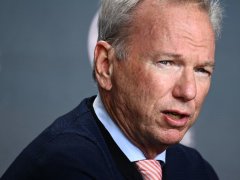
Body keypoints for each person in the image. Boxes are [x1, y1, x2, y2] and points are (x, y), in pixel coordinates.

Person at [1, 0, 223, 179]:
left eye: (202, 70)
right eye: (166, 63)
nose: (188, 91)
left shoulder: (195, 170)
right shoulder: (64, 166)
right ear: (106, 65)